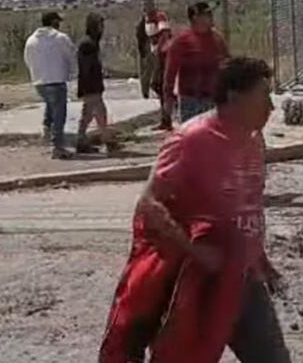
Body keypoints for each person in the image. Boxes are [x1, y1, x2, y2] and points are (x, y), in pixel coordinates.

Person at [100, 57, 290, 363]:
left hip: (243, 275)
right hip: (197, 281)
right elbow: (148, 203)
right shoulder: (191, 140)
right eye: (263, 95)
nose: (271, 106)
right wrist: (195, 250)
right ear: (234, 97)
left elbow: (247, 207)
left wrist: (261, 260)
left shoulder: (254, 141)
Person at [163, 2, 229, 123]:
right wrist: (169, 98)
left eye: (210, 14)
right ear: (195, 18)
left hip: (212, 98)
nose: (209, 17)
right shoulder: (181, 41)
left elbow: (227, 66)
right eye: (205, 14)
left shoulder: (217, 39)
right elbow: (171, 71)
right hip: (190, 98)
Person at [25, 11, 78, 159]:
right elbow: (71, 56)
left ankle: (46, 131)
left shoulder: (31, 41)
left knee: (51, 107)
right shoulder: (61, 38)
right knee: (59, 115)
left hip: (39, 82)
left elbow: (27, 60)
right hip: (56, 80)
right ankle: (57, 146)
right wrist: (71, 72)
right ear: (54, 22)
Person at [136, 0, 173, 130]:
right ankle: (165, 116)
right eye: (143, 5)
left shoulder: (160, 16)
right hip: (153, 54)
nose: (145, 7)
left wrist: (159, 50)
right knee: (158, 85)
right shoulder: (145, 19)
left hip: (163, 54)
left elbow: (165, 34)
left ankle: (168, 112)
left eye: (147, 4)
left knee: (158, 84)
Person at [77, 12, 108, 152]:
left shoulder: (92, 43)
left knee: (92, 114)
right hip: (90, 86)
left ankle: (84, 139)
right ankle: (105, 141)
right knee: (96, 113)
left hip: (93, 85)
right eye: (100, 25)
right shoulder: (87, 44)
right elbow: (86, 68)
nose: (102, 28)